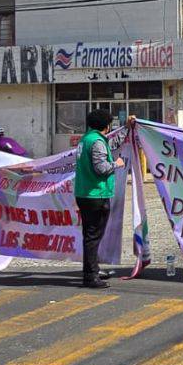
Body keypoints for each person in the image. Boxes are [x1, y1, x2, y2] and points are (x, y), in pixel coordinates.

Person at [75, 108, 124, 289]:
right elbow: (101, 168)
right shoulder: (96, 141)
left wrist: (126, 128)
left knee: (90, 235)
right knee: (93, 236)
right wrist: (117, 164)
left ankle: (92, 269)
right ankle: (90, 276)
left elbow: (110, 145)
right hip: (96, 194)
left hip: (85, 193)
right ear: (107, 125)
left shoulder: (87, 139)